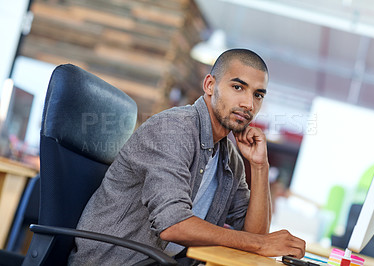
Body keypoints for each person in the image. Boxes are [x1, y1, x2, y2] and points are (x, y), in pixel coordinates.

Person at [69, 48, 305, 265]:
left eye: (258, 95)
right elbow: (173, 224)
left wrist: (260, 165)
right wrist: (261, 244)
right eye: (238, 87)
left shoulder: (230, 157)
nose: (248, 104)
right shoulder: (173, 130)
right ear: (210, 85)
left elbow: (255, 235)